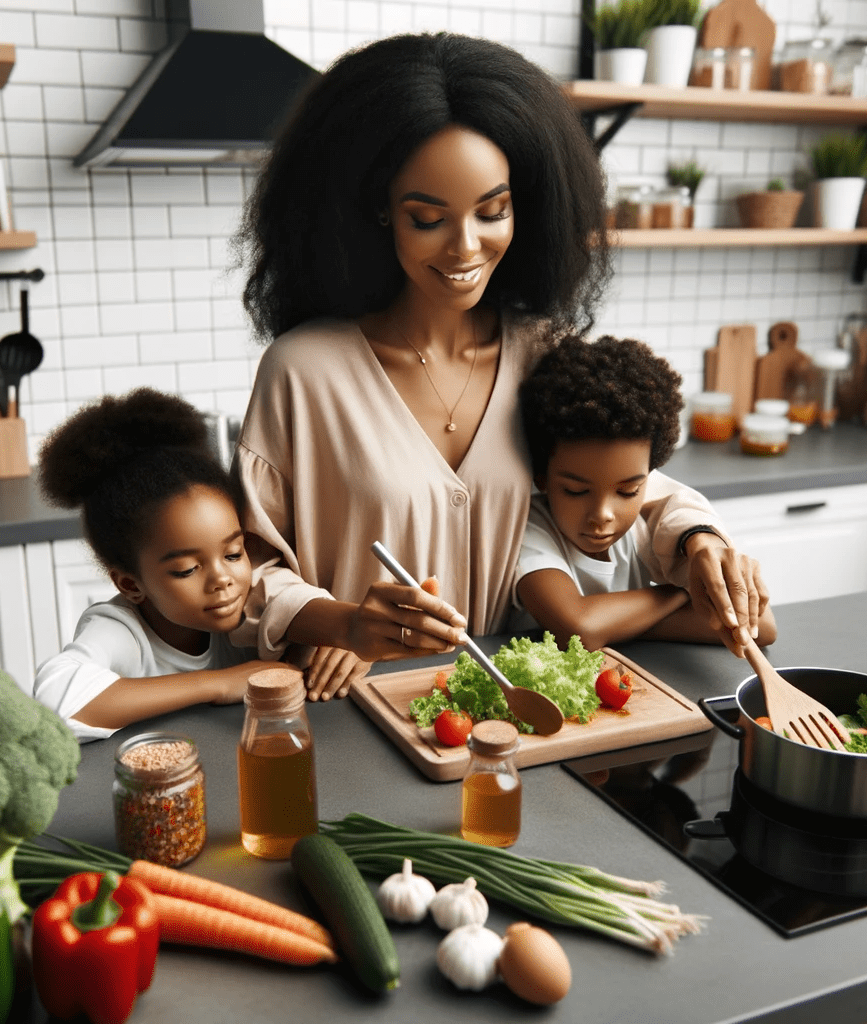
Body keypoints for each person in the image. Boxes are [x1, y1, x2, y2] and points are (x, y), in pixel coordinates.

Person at [235, 33, 768, 703]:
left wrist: (697, 541)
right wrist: (344, 623)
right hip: (361, 707)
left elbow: (629, 485)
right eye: (427, 217)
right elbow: (248, 570)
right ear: (377, 213)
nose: (465, 246)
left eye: (493, 211)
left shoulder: (544, 353)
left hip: (520, 710)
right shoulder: (304, 373)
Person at [32, 388, 296, 741]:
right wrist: (216, 684)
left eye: (233, 554)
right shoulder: (121, 631)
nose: (223, 579)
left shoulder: (252, 604)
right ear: (131, 585)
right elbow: (54, 705)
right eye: (187, 569)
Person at [513, 335, 777, 651]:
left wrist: (616, 624)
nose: (602, 514)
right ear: (542, 477)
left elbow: (761, 625)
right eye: (576, 490)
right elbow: (579, 627)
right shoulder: (527, 529)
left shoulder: (647, 523)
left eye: (627, 491)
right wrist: (682, 591)